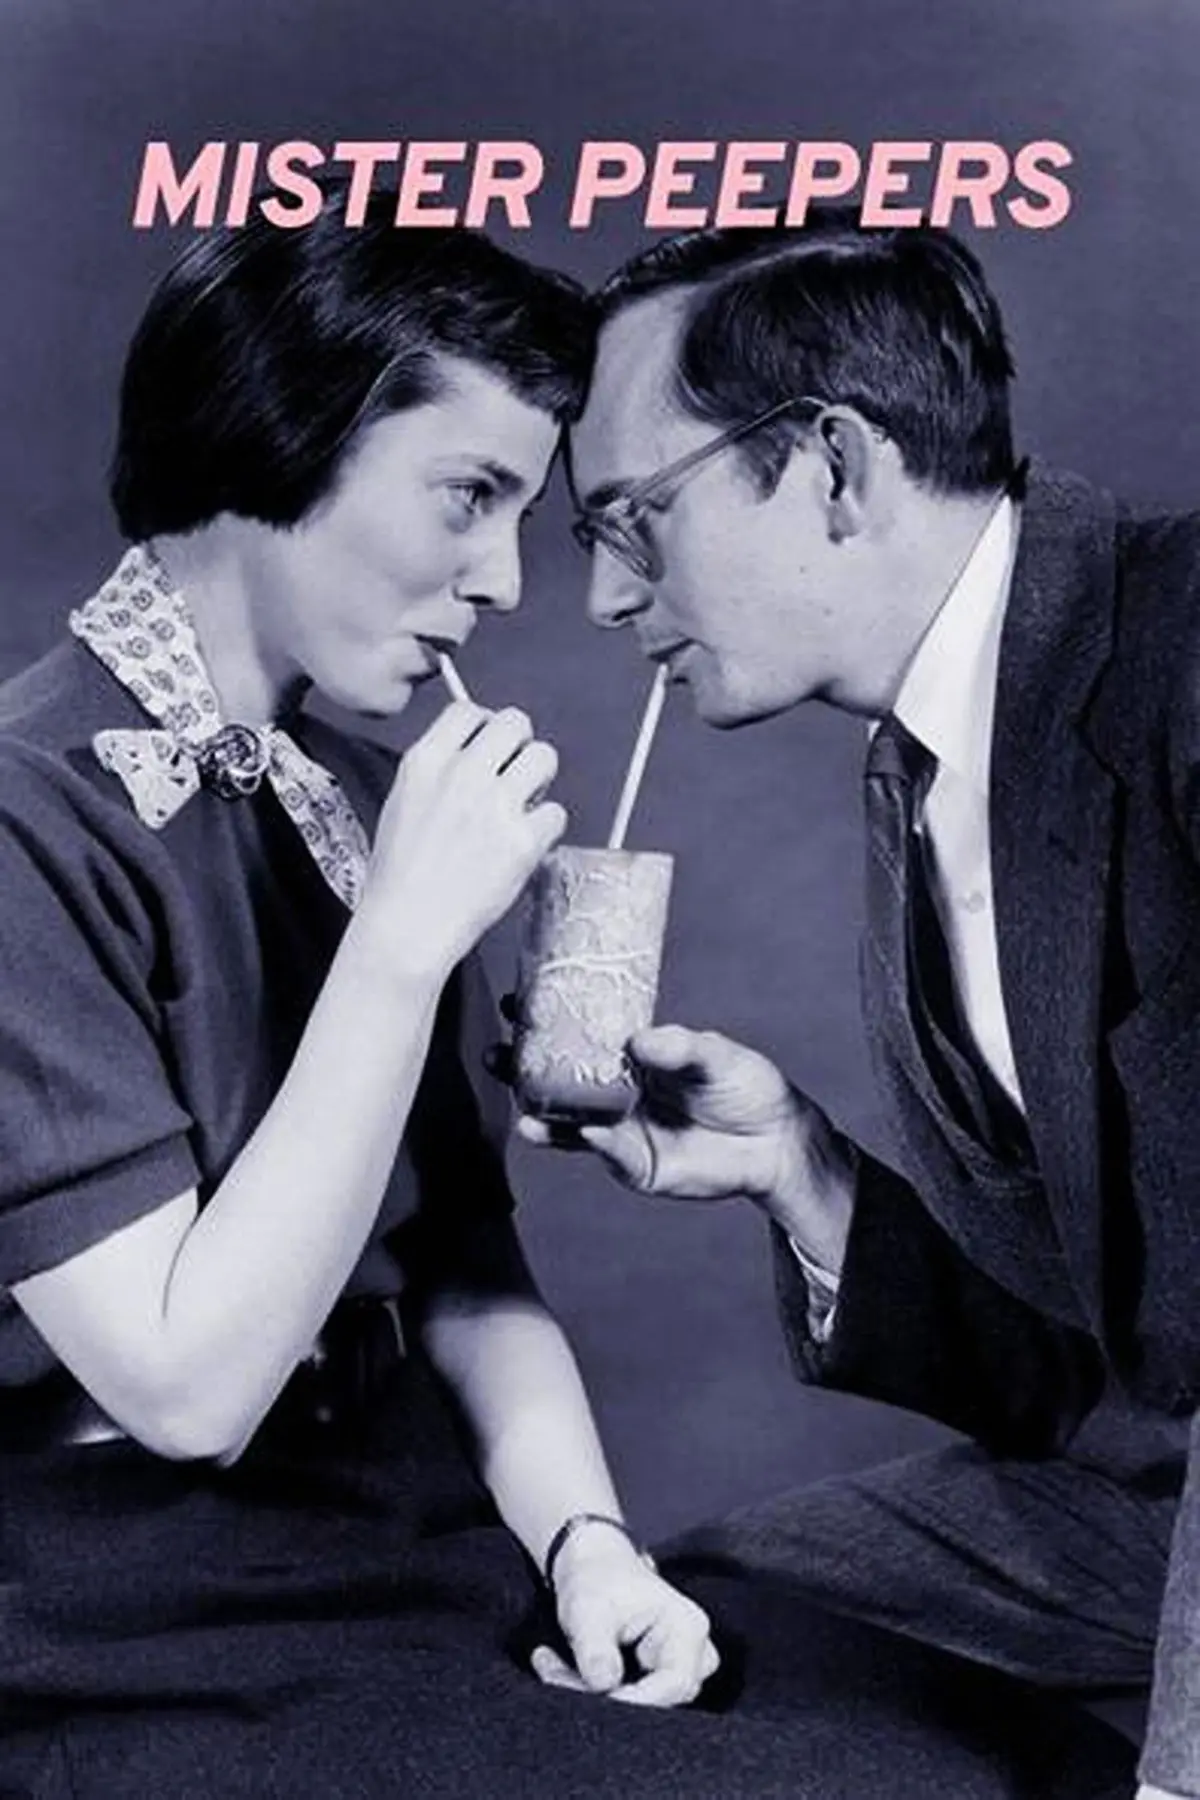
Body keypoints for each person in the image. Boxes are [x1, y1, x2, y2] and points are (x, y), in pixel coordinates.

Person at [0, 192, 737, 1798]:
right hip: (118, 1606)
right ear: (281, 431)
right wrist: (399, 945)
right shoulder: (23, 817)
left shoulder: (364, 803)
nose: (506, 584)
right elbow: (188, 1389)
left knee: (954, 1748)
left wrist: (590, 1547)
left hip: (402, 1535)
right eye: (469, 496)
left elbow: (466, 1273)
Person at [544, 215, 1200, 1800]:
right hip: (1157, 1501)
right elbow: (1119, 1361)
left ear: (833, 465)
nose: (604, 599)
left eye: (634, 518)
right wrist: (805, 1174)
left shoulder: (1183, 652)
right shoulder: (921, 769)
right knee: (695, 1631)